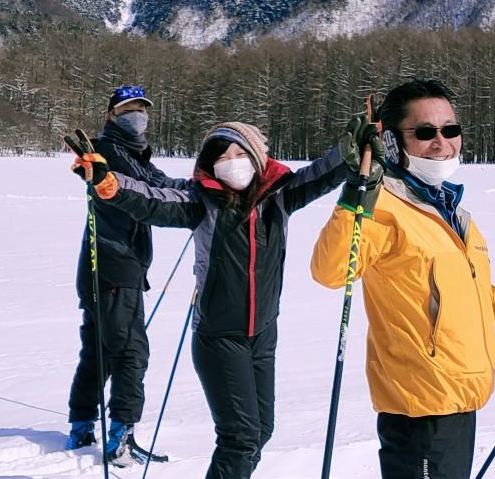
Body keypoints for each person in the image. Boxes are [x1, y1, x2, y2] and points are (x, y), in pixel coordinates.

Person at [310, 80, 495, 479]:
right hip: (420, 410)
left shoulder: (453, 214)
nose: (442, 142)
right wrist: (357, 193)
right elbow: (330, 270)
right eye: (425, 132)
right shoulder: (383, 208)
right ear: (394, 142)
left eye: (450, 129)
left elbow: (471, 300)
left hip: (459, 402)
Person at [70, 119, 371, 478]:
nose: (231, 160)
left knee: (260, 432)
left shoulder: (280, 195)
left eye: (240, 152)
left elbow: (321, 173)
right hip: (219, 338)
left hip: (262, 336)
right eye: (221, 155)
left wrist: (349, 153)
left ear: (259, 157)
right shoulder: (201, 201)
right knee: (240, 438)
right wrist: (109, 183)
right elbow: (151, 200)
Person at [66, 85, 189, 461]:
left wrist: (201, 188)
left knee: (100, 350)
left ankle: (81, 425)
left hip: (102, 266)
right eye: (128, 108)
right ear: (111, 115)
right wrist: (197, 202)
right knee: (130, 352)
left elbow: (162, 183)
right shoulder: (109, 153)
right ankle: (120, 436)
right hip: (115, 267)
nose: (137, 114)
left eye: (141, 108)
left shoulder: (131, 154)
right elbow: (151, 196)